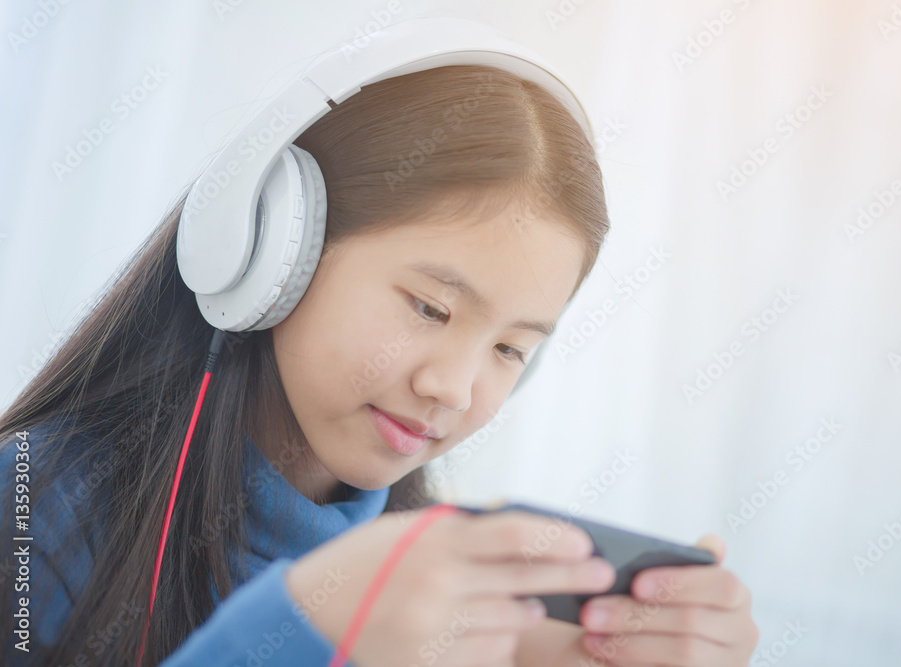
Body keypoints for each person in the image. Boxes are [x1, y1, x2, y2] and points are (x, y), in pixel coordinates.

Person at [0, 64, 758, 666]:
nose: (454, 388)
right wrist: (301, 628)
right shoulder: (34, 501)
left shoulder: (443, 595)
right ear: (272, 250)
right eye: (429, 307)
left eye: (508, 349)